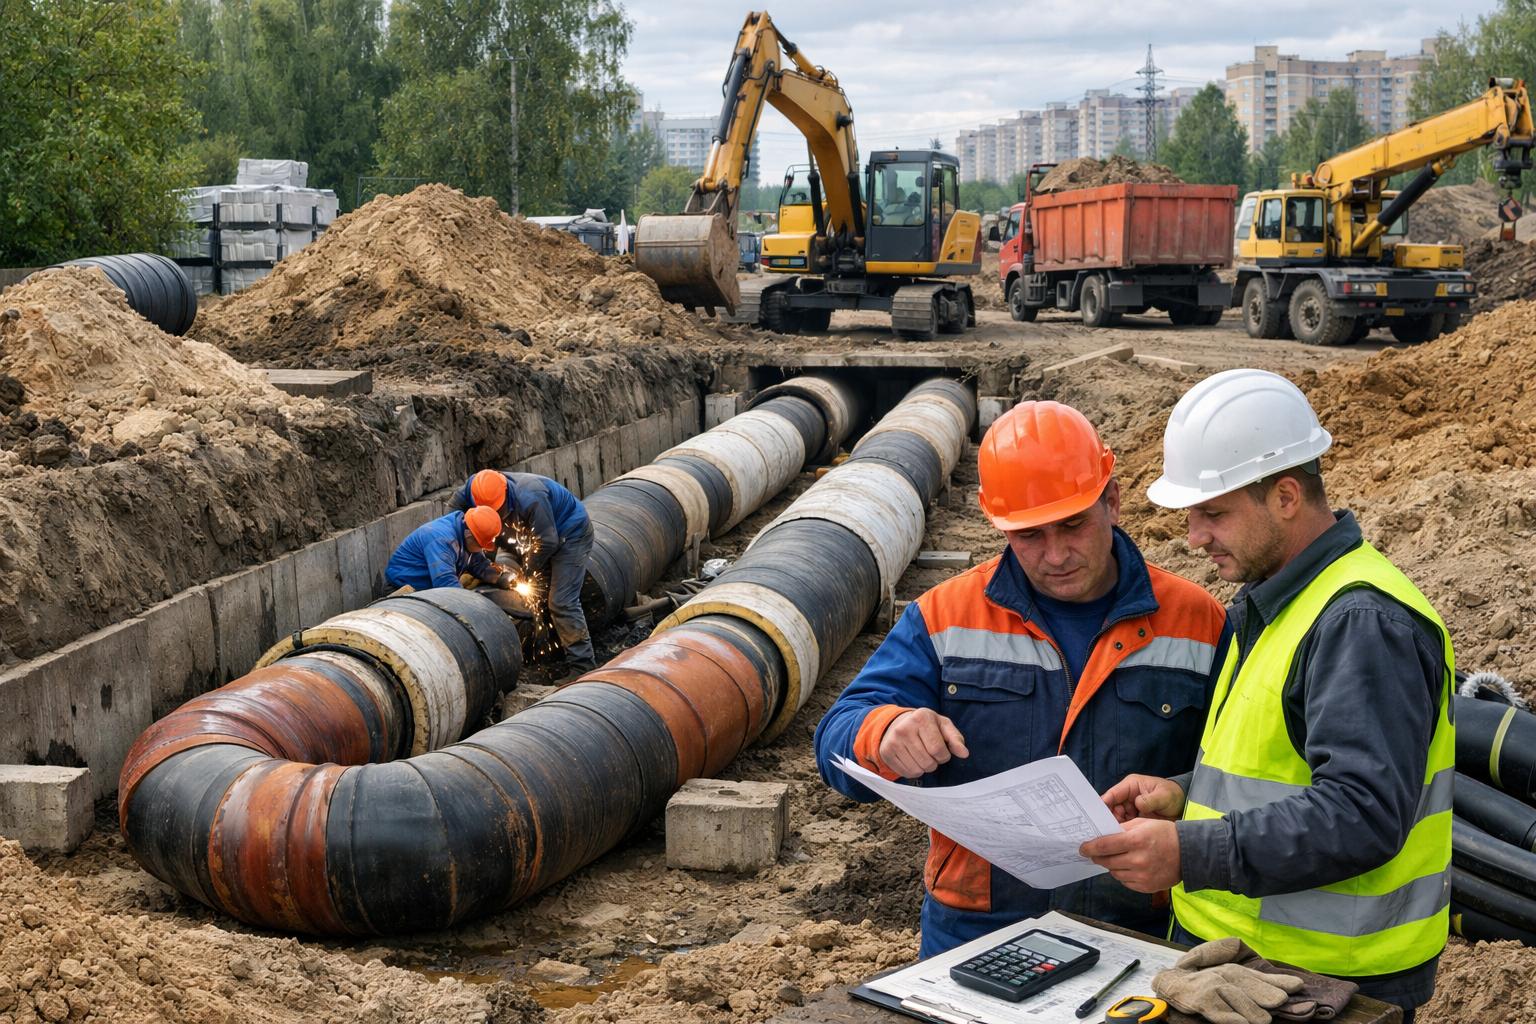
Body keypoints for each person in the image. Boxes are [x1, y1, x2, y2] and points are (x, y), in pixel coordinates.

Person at [1082, 369, 1454, 1022]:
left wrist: (1189, 851)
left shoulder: (1359, 622)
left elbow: (1364, 813)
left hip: (1329, 985)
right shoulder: (1276, 601)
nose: (1194, 538)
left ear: (1285, 496)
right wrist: (1185, 795)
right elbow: (1276, 772)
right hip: (1248, 965)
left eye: (1214, 512)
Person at [813, 401, 1230, 958]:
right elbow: (836, 737)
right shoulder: (946, 615)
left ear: (1112, 499)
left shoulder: (1198, 621)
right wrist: (885, 732)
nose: (1055, 554)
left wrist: (1179, 793)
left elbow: (1238, 771)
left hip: (1134, 927)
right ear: (998, 522)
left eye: (1073, 524)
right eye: (1029, 534)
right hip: (975, 930)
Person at [451, 469, 596, 672]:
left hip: (569, 534)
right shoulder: (473, 488)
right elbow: (453, 519)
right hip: (524, 534)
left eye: (496, 510)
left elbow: (547, 541)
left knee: (561, 601)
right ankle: (549, 653)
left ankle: (583, 667)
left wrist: (527, 572)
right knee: (534, 594)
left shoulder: (531, 496)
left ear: (505, 494)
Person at [384, 506, 520, 613]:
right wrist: (475, 607)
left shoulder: (465, 531)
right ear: (470, 535)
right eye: (481, 545)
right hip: (401, 592)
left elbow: (477, 563)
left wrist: (499, 577)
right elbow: (446, 585)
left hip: (427, 589)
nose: (482, 550)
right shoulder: (442, 540)